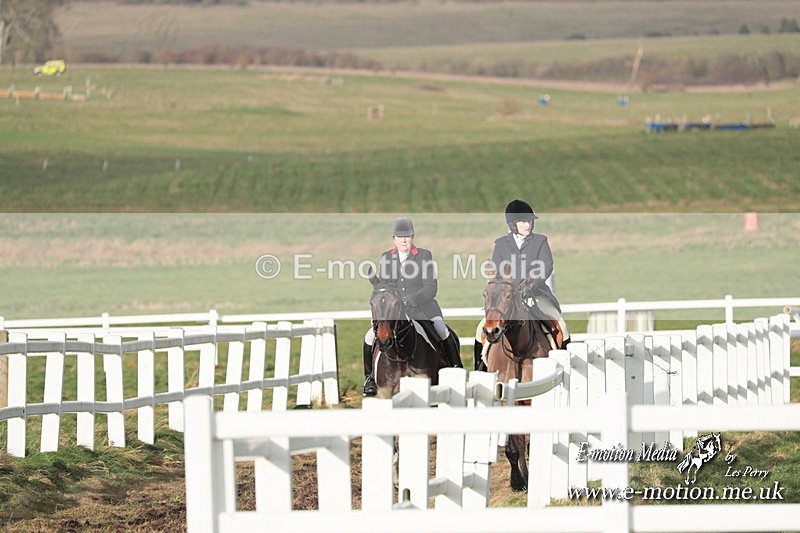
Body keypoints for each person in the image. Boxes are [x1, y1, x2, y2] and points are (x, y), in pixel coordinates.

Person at [363, 216, 463, 396]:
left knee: (442, 330)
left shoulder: (424, 256)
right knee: (370, 336)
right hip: (395, 312)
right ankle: (369, 379)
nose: (403, 240)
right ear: (394, 239)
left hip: (423, 309)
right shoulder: (387, 257)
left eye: (407, 236)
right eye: (399, 237)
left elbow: (431, 288)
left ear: (412, 237)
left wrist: (409, 300)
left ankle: (455, 368)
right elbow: (384, 288)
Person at [473, 199, 570, 370]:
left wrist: (530, 286)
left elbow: (546, 266)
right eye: (523, 221)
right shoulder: (501, 244)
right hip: (508, 298)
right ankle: (480, 370)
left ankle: (566, 369)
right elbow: (497, 271)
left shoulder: (540, 241)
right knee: (481, 328)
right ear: (512, 224)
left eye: (530, 221)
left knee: (561, 325)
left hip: (536, 295)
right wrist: (507, 289)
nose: (528, 224)